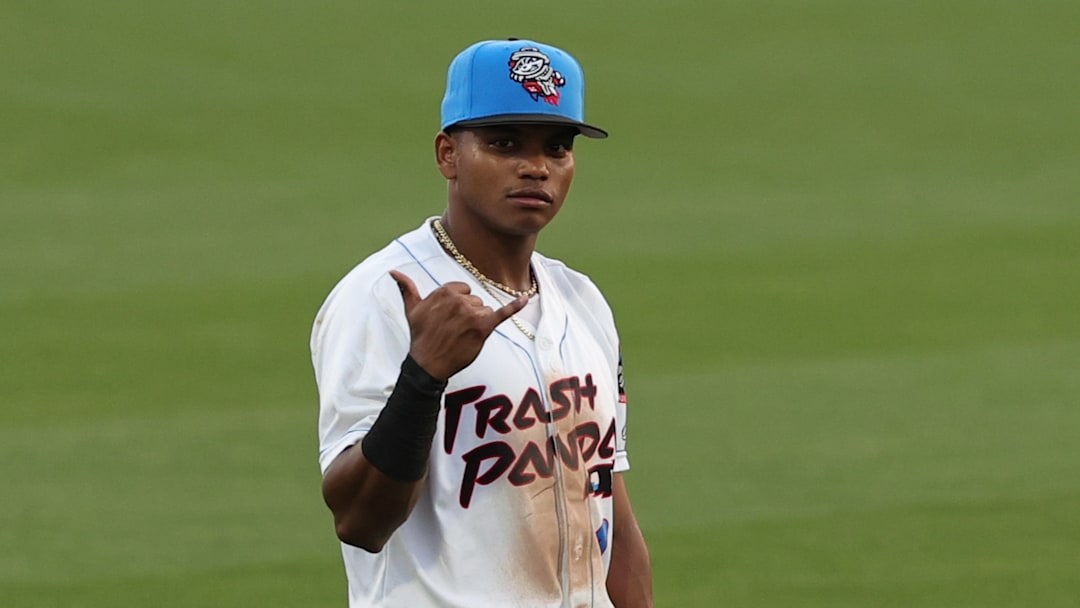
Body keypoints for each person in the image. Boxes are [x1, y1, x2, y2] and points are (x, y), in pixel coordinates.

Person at [311, 38, 654, 608]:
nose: (536, 167)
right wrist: (423, 377)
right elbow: (360, 522)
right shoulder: (382, 297)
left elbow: (610, 506)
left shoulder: (583, 301)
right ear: (448, 154)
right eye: (504, 143)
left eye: (557, 147)